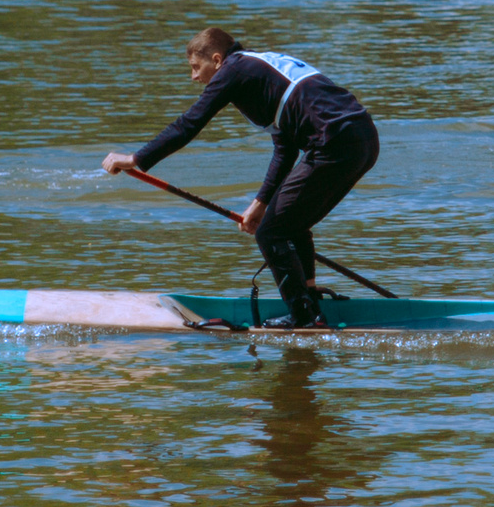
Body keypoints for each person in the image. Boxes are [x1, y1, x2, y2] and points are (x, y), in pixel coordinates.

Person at [103, 28, 379, 327]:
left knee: (271, 233)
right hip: (363, 138)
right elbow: (284, 149)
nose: (194, 77)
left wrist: (136, 159)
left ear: (217, 59)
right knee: (289, 223)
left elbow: (190, 123)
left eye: (196, 67)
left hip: (334, 141)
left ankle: (304, 317)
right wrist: (260, 203)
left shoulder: (234, 69)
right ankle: (308, 301)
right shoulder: (256, 71)